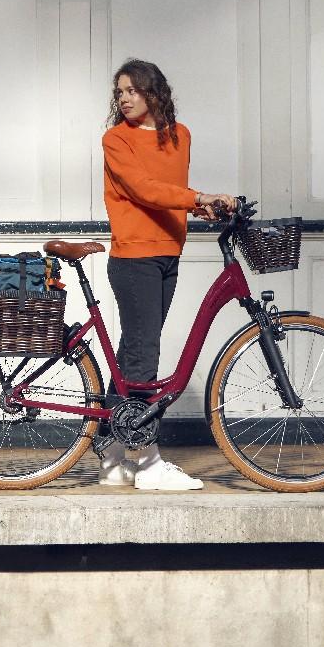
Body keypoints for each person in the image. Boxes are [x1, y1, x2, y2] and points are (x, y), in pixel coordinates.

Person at [97, 59, 236, 492]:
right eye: (118, 92)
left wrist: (203, 205)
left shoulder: (181, 136)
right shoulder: (115, 140)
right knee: (143, 355)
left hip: (168, 254)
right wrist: (197, 196)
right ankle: (146, 459)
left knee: (132, 352)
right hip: (134, 256)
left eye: (132, 90)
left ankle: (111, 452)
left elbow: (169, 192)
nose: (123, 98)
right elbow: (143, 189)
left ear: (154, 93)